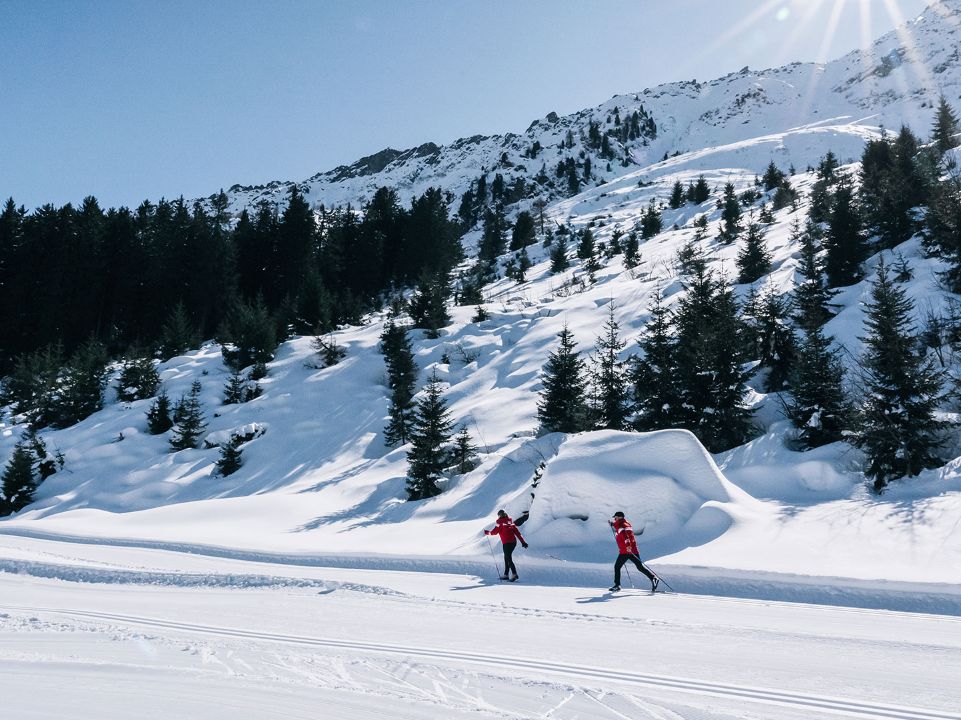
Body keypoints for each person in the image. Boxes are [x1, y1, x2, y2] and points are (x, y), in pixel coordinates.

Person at [609, 511, 658, 592]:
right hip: (632, 550)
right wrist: (612, 524)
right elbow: (620, 527)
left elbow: (626, 537)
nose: (615, 519)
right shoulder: (626, 524)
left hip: (626, 551)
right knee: (640, 567)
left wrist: (628, 546)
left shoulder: (621, 526)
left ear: (619, 517)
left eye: (615, 517)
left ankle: (617, 585)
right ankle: (653, 578)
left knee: (617, 567)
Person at [484, 509, 527, 581]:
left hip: (506, 543)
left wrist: (487, 532)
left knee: (508, 558)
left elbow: (494, 532)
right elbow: (517, 533)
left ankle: (514, 574)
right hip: (513, 543)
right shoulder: (510, 522)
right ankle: (506, 575)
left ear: (499, 516)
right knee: (506, 557)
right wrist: (523, 542)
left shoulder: (499, 523)